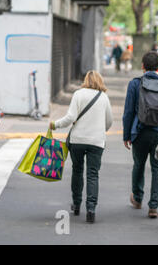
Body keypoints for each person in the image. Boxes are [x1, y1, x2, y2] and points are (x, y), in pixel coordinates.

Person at [50, 70, 113, 223]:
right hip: (96, 142)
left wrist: (56, 124)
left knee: (77, 171)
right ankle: (91, 209)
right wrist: (99, 130)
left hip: (77, 140)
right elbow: (109, 121)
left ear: (85, 80)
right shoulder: (104, 97)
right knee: (93, 174)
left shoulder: (78, 94)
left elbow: (70, 117)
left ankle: (76, 204)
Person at [123, 52, 158, 218]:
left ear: (143, 66)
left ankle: (137, 199)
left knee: (138, 165)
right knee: (157, 168)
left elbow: (129, 112)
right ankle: (153, 206)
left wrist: (126, 135)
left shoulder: (135, 84)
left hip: (139, 131)